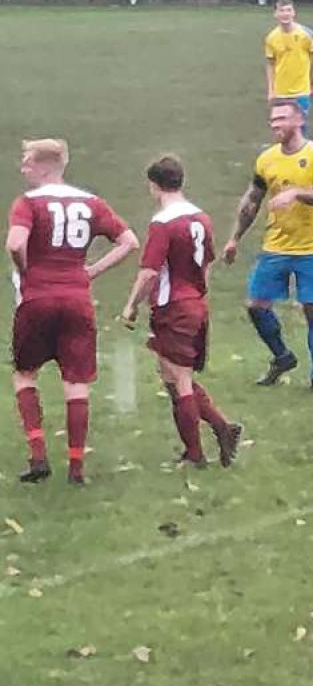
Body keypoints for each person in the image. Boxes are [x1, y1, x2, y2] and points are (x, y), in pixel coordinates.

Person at [7, 139, 139, 484]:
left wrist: (25, 270)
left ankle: (38, 457)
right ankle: (77, 468)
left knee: (25, 373)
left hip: (38, 297)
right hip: (77, 298)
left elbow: (15, 243)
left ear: (44, 166)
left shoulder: (28, 204)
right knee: (76, 381)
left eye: (28, 163)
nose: (23, 170)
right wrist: (91, 270)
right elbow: (129, 241)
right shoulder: (90, 202)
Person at [121, 156, 242, 468]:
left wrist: (131, 306)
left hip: (173, 307)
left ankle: (199, 450)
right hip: (196, 303)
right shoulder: (201, 218)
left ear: (153, 185)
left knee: (179, 381)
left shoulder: (163, 223)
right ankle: (221, 431)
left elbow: (149, 272)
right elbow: (207, 261)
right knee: (172, 376)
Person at [223, 100, 313, 393]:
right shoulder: (267, 159)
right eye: (273, 119)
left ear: (299, 120)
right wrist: (235, 238)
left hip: (311, 249)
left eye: (282, 119)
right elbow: (252, 200)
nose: (275, 124)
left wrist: (296, 194)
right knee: (256, 305)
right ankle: (282, 357)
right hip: (275, 246)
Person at [264, 0, 313, 134]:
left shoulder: (305, 34)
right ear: (276, 14)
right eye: (282, 11)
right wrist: (271, 89)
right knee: (281, 129)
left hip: (301, 91)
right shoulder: (271, 38)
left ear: (294, 13)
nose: (285, 14)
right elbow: (270, 63)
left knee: (300, 128)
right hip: (281, 92)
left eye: (288, 10)